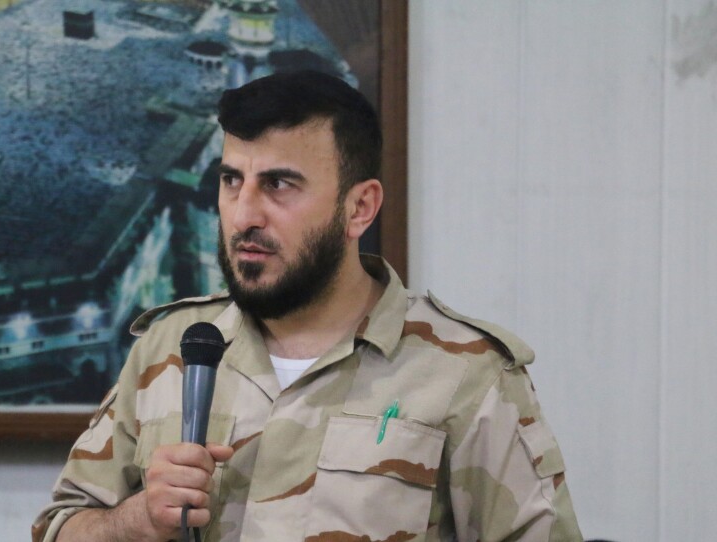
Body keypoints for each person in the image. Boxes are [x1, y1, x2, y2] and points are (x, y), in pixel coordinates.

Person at [33, 70, 583, 542]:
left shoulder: (465, 372)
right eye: (231, 180)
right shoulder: (171, 347)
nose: (244, 213)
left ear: (360, 207)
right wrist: (134, 522)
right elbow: (61, 525)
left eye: (278, 185)